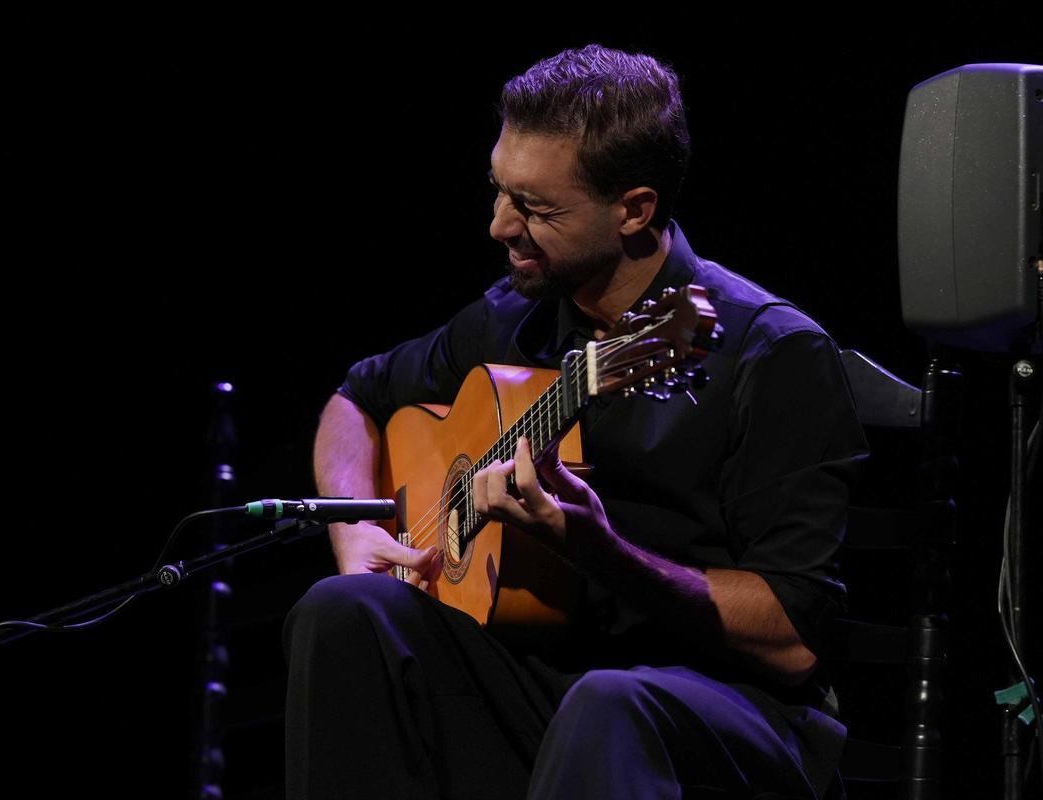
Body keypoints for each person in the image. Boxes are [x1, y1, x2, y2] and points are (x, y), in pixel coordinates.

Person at [284, 44, 867, 799]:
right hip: (549, 681)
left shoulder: (773, 353)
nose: (499, 225)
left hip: (722, 713)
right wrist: (354, 526)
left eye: (535, 207)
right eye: (499, 190)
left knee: (608, 703)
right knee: (343, 612)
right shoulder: (512, 316)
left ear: (634, 210)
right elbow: (354, 401)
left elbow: (793, 640)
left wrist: (599, 551)